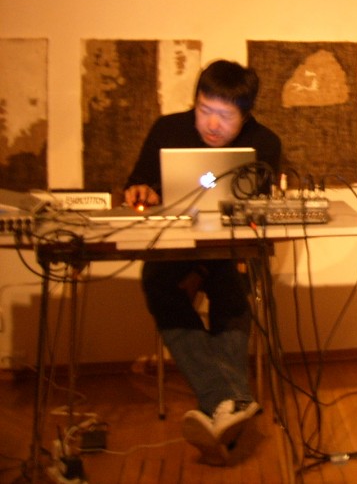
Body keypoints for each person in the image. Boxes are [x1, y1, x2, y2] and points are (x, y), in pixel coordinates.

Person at [124, 60, 281, 465]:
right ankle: (231, 399)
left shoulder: (264, 143)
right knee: (157, 283)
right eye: (204, 110)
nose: (211, 124)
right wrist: (141, 191)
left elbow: (258, 213)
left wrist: (203, 269)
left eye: (225, 116)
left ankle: (218, 405)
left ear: (245, 116)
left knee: (233, 287)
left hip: (232, 252)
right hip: (175, 250)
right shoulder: (167, 129)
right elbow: (136, 183)